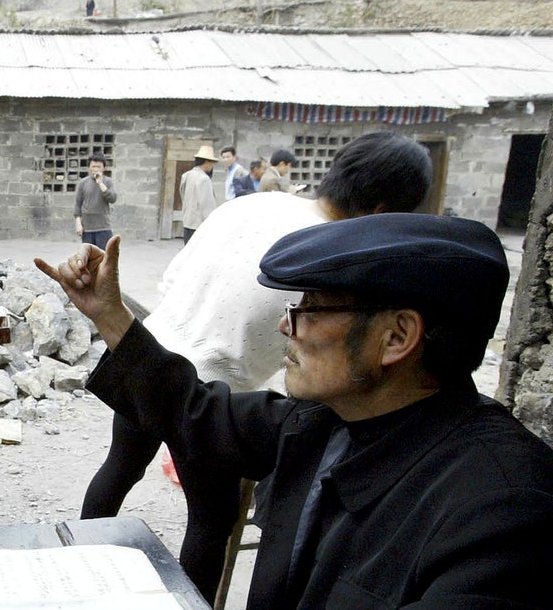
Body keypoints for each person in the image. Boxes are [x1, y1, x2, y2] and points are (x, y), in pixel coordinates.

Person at [36, 214, 553, 608]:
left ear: (396, 337)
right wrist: (109, 314)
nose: (286, 327)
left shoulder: (503, 510)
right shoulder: (324, 424)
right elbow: (191, 410)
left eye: (308, 310)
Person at [80, 132, 433, 601]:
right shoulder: (333, 255)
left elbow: (174, 280)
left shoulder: (250, 204)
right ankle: (195, 603)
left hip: (147, 356)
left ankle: (76, 566)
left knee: (119, 468)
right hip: (212, 396)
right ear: (382, 209)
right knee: (211, 519)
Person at [74, 152, 118, 248]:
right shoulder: (83, 183)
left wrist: (100, 183)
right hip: (87, 228)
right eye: (93, 166)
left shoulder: (108, 181)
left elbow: (113, 199)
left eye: (98, 167)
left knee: (104, 258)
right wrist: (78, 223)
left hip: (103, 227)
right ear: (89, 168)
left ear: (104, 168)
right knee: (89, 258)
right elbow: (78, 204)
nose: (96, 169)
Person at [178, 145, 218, 245]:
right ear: (207, 162)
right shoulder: (204, 179)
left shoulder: (186, 175)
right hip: (199, 225)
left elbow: (182, 195)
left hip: (187, 222)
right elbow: (207, 206)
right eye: (211, 163)